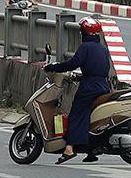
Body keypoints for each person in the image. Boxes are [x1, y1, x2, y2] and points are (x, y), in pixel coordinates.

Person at [43, 17, 111, 164]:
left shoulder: (85, 47)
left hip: (89, 87)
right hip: (103, 86)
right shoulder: (102, 48)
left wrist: (54, 67)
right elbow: (100, 68)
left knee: (76, 115)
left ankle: (69, 149)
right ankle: (91, 150)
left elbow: (73, 63)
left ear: (85, 33)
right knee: (91, 116)